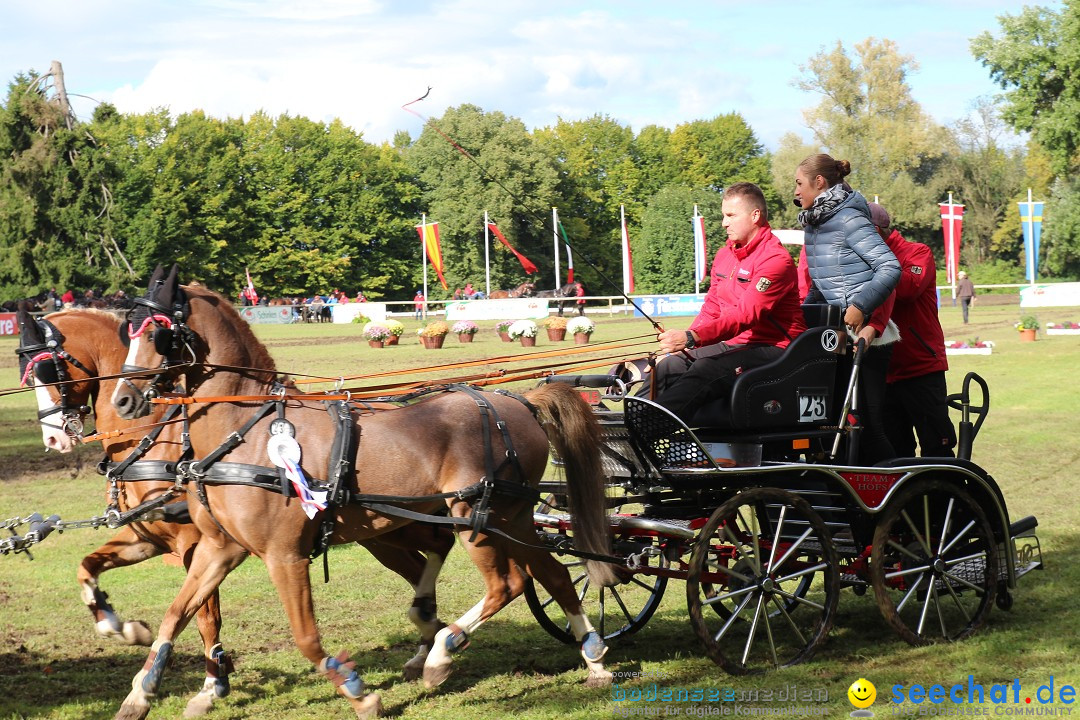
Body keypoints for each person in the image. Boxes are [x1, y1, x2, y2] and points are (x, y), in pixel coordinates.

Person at [652, 182, 806, 424]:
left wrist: (692, 337)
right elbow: (712, 308)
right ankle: (631, 423)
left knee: (704, 370)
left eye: (731, 215)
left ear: (755, 216)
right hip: (736, 344)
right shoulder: (725, 255)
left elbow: (746, 316)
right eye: (724, 215)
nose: (724, 222)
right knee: (668, 365)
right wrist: (685, 345)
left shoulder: (776, 260)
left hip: (776, 349)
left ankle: (646, 428)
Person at [795, 154, 901, 464]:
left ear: (820, 183)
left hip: (865, 337)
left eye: (800, 184)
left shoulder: (850, 219)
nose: (796, 192)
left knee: (867, 427)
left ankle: (893, 496)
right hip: (835, 336)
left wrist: (860, 305)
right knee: (836, 427)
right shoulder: (815, 223)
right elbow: (820, 284)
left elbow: (889, 267)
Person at [869, 203, 956, 457]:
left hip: (921, 368)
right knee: (895, 452)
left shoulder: (918, 252)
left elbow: (908, 290)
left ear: (874, 230)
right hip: (884, 372)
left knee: (936, 449)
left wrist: (874, 264)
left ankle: (942, 496)